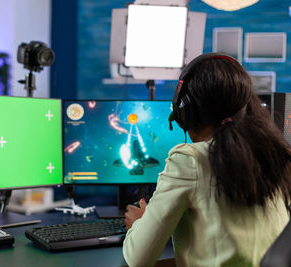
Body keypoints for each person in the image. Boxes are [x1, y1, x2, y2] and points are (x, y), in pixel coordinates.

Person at [123, 53, 291, 267]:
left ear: (186, 112)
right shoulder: (279, 155)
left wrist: (138, 224)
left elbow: (138, 259)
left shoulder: (189, 160)